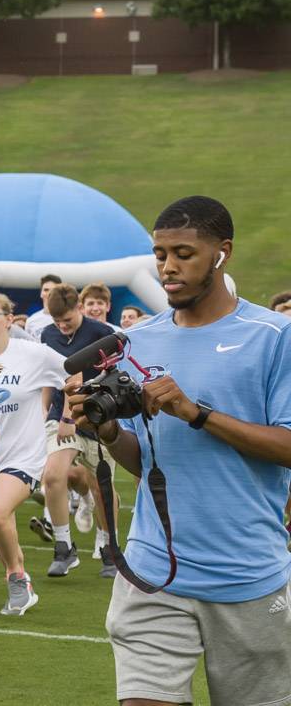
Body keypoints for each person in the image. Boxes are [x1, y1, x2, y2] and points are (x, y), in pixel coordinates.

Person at [69, 196, 291, 706]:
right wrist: (105, 434)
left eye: (184, 253)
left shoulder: (273, 336)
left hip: (248, 574)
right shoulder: (136, 340)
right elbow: (146, 460)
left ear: (222, 253)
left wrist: (198, 413)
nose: (168, 267)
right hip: (152, 572)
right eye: (160, 253)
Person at [0, 293, 70, 615]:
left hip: (22, 456)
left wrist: (67, 417)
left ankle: (18, 580)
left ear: (8, 319)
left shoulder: (33, 354)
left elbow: (74, 376)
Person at [36, 284, 119, 577]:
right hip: (61, 415)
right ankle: (63, 548)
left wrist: (70, 416)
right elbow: (50, 375)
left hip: (96, 415)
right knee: (54, 475)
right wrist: (46, 410)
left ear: (79, 308)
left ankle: (110, 549)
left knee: (102, 486)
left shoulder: (102, 334)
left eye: (67, 320)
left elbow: (83, 378)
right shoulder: (47, 334)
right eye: (57, 321)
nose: (61, 326)